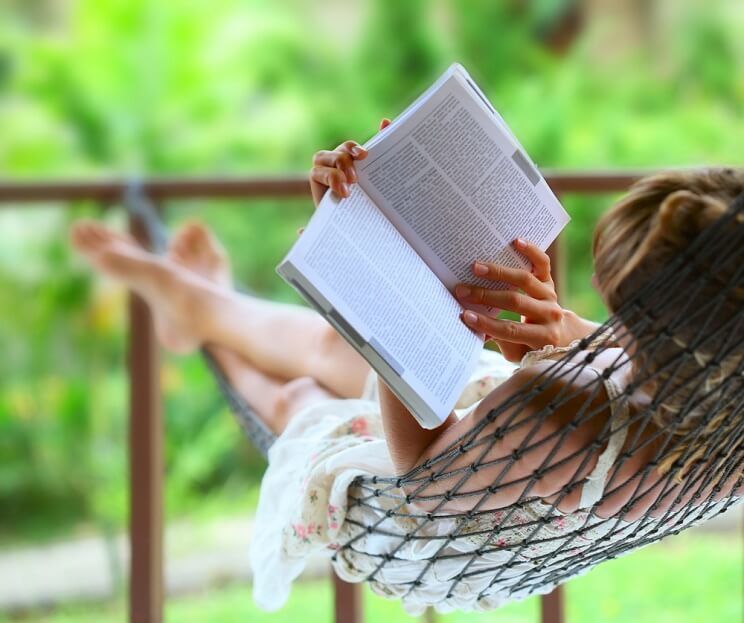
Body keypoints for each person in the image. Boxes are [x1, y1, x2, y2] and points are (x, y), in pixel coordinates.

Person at [70, 125, 742, 612]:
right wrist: (564, 326)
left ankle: (200, 322)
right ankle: (203, 306)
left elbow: (419, 475)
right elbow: (625, 364)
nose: (606, 314)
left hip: (433, 517)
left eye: (615, 301)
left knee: (304, 394)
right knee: (330, 352)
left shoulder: (554, 401)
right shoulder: (720, 385)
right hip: (511, 444)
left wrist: (389, 307)